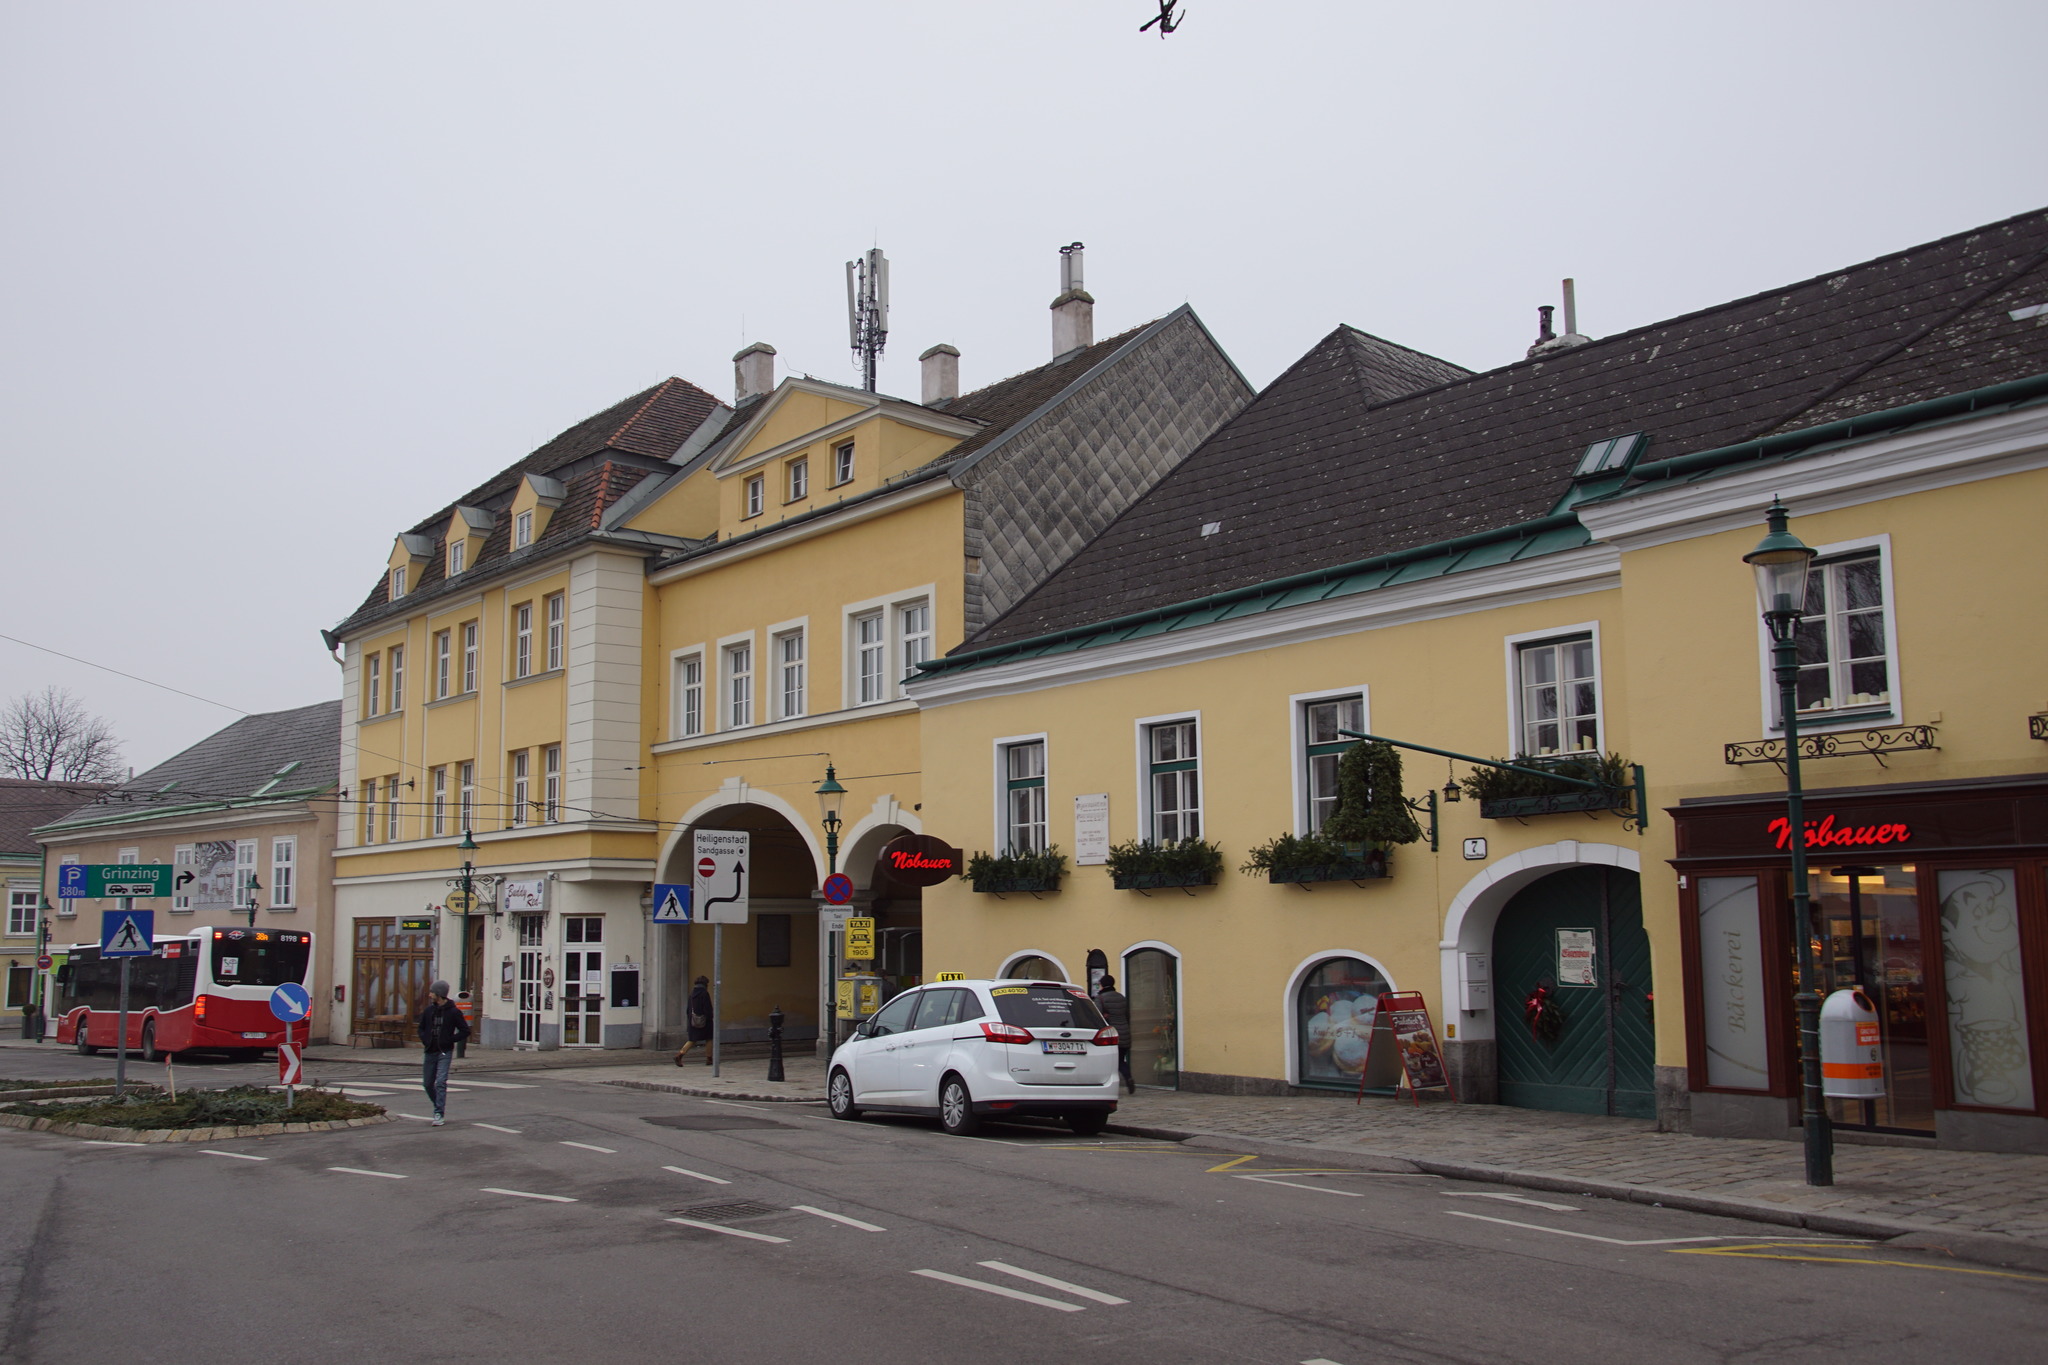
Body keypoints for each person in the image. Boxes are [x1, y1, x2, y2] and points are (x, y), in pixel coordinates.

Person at [417, 981, 470, 1126]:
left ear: (439, 994)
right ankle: (437, 1105)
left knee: (440, 1082)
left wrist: (450, 1040)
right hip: (430, 1051)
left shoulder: (453, 1012)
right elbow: (421, 1028)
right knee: (427, 1084)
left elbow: (465, 1030)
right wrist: (425, 1040)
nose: (429, 995)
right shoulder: (429, 1011)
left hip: (444, 1052)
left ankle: (439, 1112)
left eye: (432, 992)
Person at [1095, 974, 1134, 1094]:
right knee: (1121, 1059)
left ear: (1102, 985)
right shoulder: (1121, 997)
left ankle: (1108, 1083)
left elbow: (1097, 1017)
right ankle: (1128, 1077)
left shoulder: (1100, 999)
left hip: (1112, 1034)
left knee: (1112, 1061)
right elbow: (1127, 1015)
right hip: (1125, 1033)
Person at [675, 975, 713, 1066]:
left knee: (692, 1040)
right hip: (705, 1021)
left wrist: (690, 1019)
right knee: (709, 1038)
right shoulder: (704, 993)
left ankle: (680, 1054)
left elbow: (688, 1009)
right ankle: (709, 1058)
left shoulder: (692, 994)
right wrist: (709, 1017)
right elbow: (707, 1008)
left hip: (693, 1020)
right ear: (705, 984)